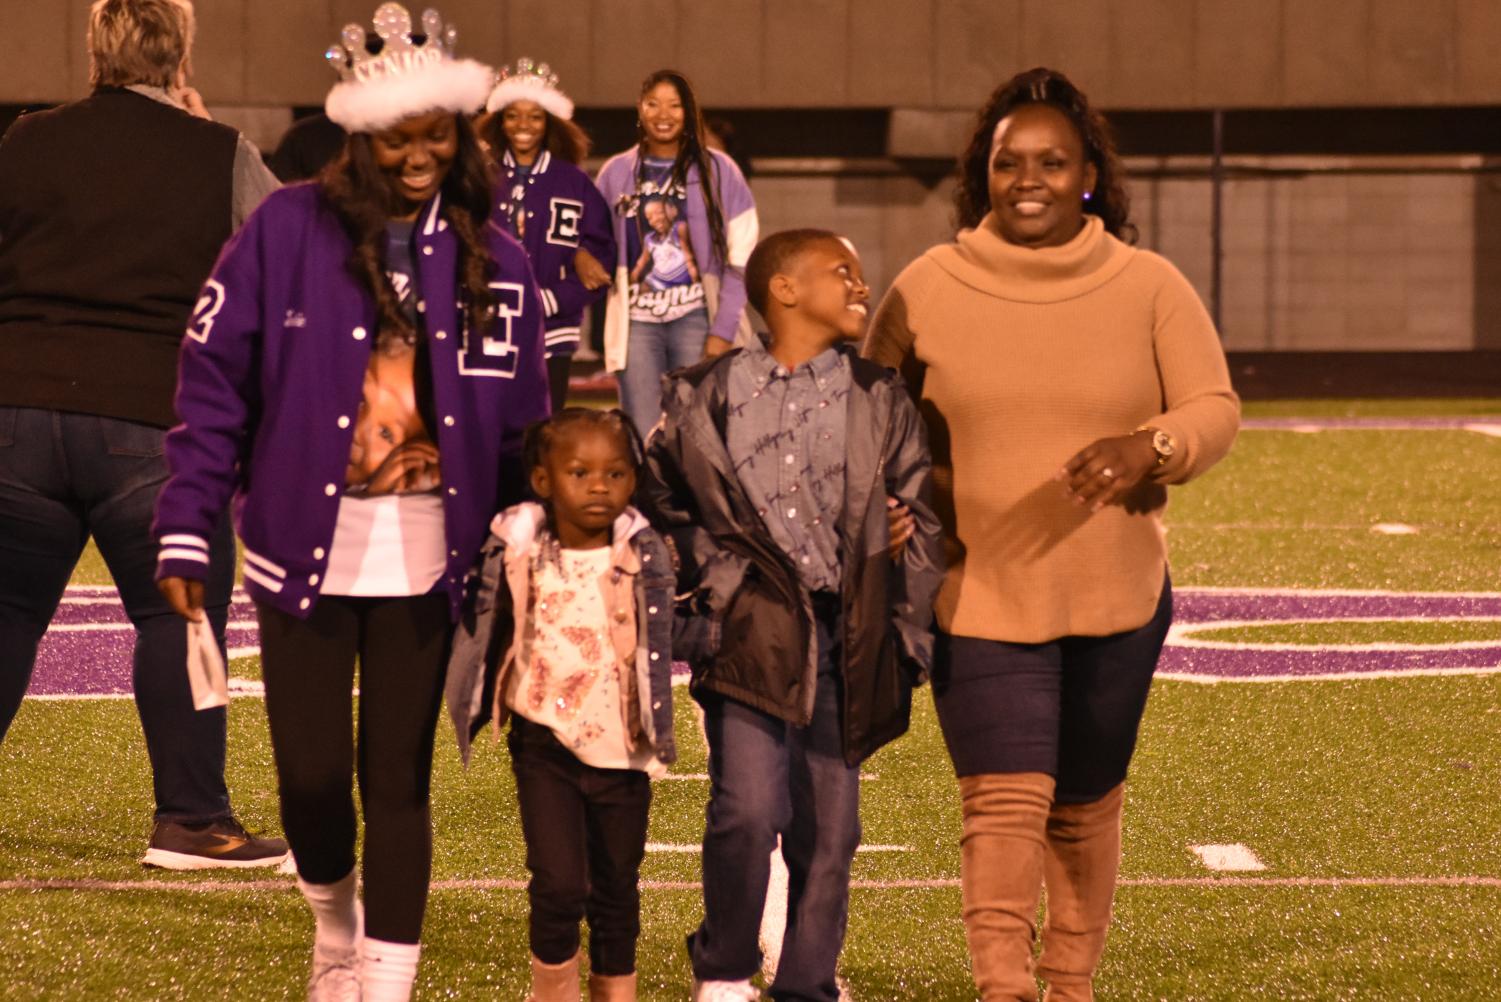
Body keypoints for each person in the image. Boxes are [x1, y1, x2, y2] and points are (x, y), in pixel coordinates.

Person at [152, 6, 547, 999]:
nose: (419, 155)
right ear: (360, 137)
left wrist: (537, 546)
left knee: (398, 783)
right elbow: (211, 393)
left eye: (437, 133)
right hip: (304, 558)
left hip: (433, 566)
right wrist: (186, 531)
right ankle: (333, 928)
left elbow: (524, 436)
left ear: (459, 136)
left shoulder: (501, 260)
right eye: (398, 135)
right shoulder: (282, 230)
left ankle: (387, 981)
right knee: (315, 785)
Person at [863, 67, 1241, 1002]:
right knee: (1001, 804)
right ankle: (1005, 989)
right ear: (982, 175)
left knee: (1080, 806)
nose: (1026, 179)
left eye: (1049, 162)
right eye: (1006, 163)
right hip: (978, 592)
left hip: (1116, 598)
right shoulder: (928, 284)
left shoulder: (1146, 283)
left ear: (1086, 175)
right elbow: (866, 419)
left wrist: (1149, 445)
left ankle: (1067, 983)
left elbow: (1213, 405)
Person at [0, 0, 284, 869]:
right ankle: (192, 819)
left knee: (6, 615)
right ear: (180, 53)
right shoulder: (220, 154)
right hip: (151, 421)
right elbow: (286, 259)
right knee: (181, 620)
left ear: (95, 51)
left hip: (16, 410)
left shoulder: (25, 142)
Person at [640, 229, 943, 1002]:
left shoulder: (880, 395)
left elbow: (922, 522)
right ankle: (723, 965)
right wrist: (708, 579)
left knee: (829, 833)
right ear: (783, 289)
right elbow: (661, 498)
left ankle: (807, 982)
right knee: (745, 810)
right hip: (749, 631)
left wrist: (906, 639)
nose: (859, 287)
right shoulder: (702, 391)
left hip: (847, 634)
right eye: (842, 271)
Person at [446, 408, 676, 1002]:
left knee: (617, 891)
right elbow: (478, 622)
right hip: (542, 745)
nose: (599, 485)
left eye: (616, 473)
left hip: (623, 750)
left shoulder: (641, 554)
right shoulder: (518, 548)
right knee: (557, 885)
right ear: (544, 481)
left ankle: (616, 993)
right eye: (580, 472)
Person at [596, 69, 758, 438]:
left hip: (698, 318)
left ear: (689, 111)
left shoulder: (720, 170)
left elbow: (741, 259)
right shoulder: (616, 172)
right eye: (653, 104)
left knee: (697, 430)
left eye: (674, 104)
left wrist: (723, 330)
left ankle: (694, 499)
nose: (663, 114)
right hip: (636, 323)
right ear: (639, 109)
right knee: (641, 429)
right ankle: (649, 498)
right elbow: (595, 242)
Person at [479, 59, 615, 413]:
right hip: (490, 322)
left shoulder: (572, 181)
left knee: (545, 424)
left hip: (553, 329)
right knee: (489, 420)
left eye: (535, 116)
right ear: (499, 121)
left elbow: (603, 253)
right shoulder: (479, 177)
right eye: (513, 115)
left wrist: (556, 297)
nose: (523, 125)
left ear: (549, 123)